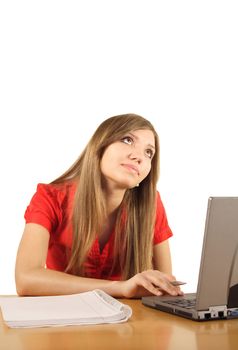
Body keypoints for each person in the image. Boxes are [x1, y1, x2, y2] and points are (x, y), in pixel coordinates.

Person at [15, 113, 183, 298]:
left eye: (148, 152)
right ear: (99, 146)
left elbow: (166, 288)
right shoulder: (50, 197)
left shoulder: (151, 204)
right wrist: (121, 288)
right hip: (65, 318)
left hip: (129, 322)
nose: (139, 157)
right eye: (127, 140)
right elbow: (26, 279)